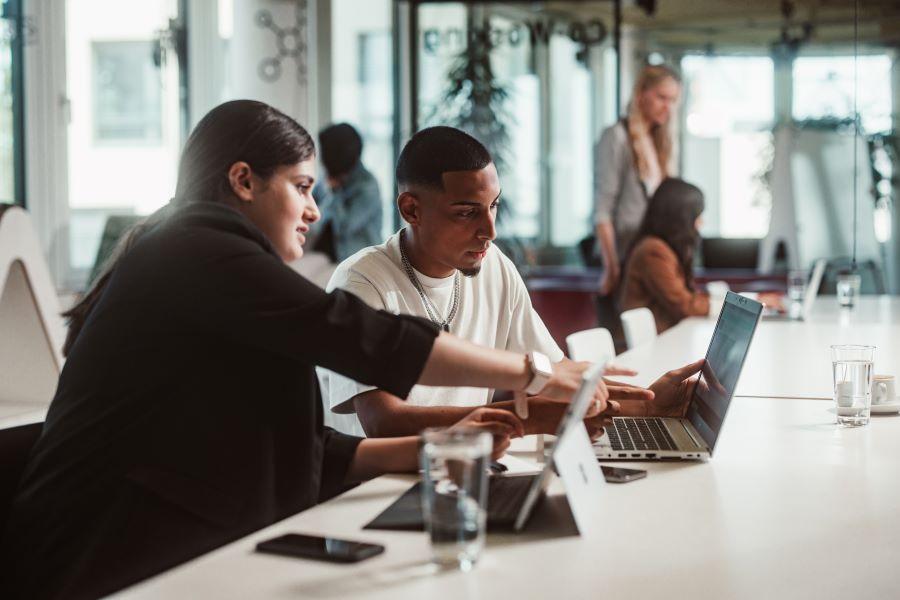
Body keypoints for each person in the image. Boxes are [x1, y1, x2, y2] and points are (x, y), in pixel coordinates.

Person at [0, 101, 595, 600]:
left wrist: (439, 448)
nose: (315, 210)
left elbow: (309, 453)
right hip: (103, 556)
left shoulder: (205, 263)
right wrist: (529, 371)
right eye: (302, 188)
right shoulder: (195, 251)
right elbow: (354, 333)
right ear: (243, 181)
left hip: (160, 540)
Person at [318, 126, 705, 439]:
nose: (490, 230)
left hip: (467, 474)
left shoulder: (494, 267)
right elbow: (383, 423)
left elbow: (558, 380)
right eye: (467, 213)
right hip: (373, 494)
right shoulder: (360, 283)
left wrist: (649, 402)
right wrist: (527, 418)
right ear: (411, 209)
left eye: (494, 206)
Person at [594, 64, 681, 298]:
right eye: (662, 97)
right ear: (641, 93)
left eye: (673, 100)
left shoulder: (660, 143)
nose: (668, 108)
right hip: (625, 261)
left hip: (652, 260)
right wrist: (611, 266)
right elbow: (603, 210)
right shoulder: (617, 137)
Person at [619, 178, 709, 333]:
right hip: (649, 347)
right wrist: (732, 308)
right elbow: (685, 305)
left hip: (663, 339)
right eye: (697, 215)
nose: (701, 223)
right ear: (681, 216)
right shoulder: (653, 251)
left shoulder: (663, 248)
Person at [309, 123, 382, 263]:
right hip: (329, 257)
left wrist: (334, 192)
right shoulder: (328, 177)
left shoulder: (367, 185)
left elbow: (343, 227)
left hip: (359, 262)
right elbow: (310, 210)